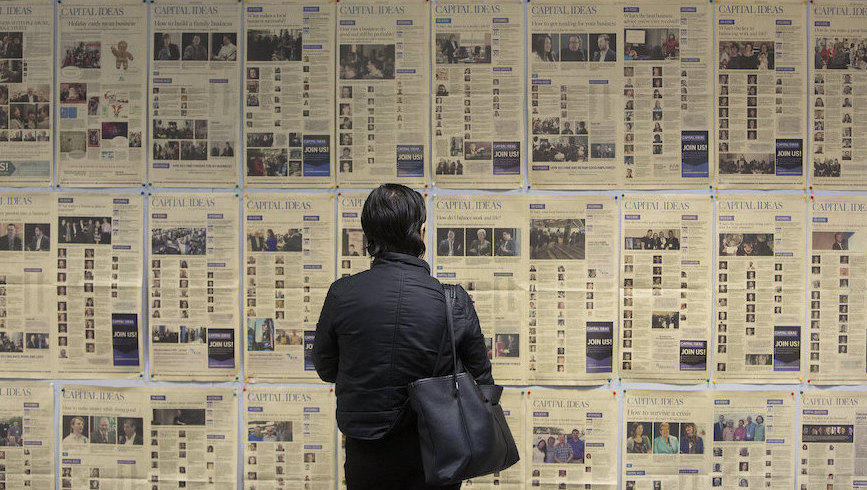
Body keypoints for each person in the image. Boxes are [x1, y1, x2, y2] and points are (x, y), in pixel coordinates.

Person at [314, 184, 492, 490]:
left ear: (368, 235)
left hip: (366, 451)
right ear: (421, 231)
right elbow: (483, 384)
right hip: (439, 452)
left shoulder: (341, 294)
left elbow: (326, 368)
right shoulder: (453, 300)